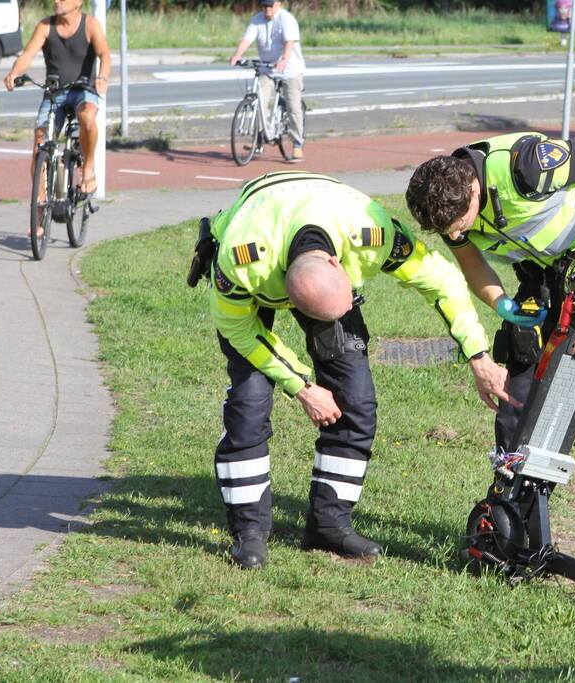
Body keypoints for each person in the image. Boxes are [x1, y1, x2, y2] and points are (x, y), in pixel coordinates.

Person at [202, 171, 513, 569]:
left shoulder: (371, 231)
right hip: (260, 253)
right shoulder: (241, 258)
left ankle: (329, 526)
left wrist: (478, 355)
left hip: (323, 230)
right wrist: (302, 386)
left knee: (356, 400)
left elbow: (445, 282)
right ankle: (249, 534)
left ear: (339, 264)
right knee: (249, 404)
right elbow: (239, 330)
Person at [405, 132, 575, 578]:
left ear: (475, 189)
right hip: (542, 286)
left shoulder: (528, 165)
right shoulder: (449, 205)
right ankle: (509, 534)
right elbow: (472, 262)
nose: (457, 234)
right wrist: (500, 302)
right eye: (450, 232)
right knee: (517, 407)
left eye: (461, 224)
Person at [4, 0, 111, 197]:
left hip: (83, 89)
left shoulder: (90, 25)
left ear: (78, 2)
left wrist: (102, 77)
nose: (56, 1)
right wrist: (14, 73)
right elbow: (28, 54)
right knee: (39, 146)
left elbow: (104, 54)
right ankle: (40, 213)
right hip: (55, 92)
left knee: (87, 116)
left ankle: (87, 168)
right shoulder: (46, 26)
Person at [230, 0, 305, 161]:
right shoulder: (257, 19)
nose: (267, 9)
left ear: (278, 4)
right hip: (267, 68)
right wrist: (238, 55)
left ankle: (297, 143)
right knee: (259, 101)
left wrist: (284, 59)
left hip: (290, 69)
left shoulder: (286, 19)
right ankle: (260, 139)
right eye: (264, 6)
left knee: (293, 106)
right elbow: (247, 39)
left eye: (270, 6)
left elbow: (289, 42)